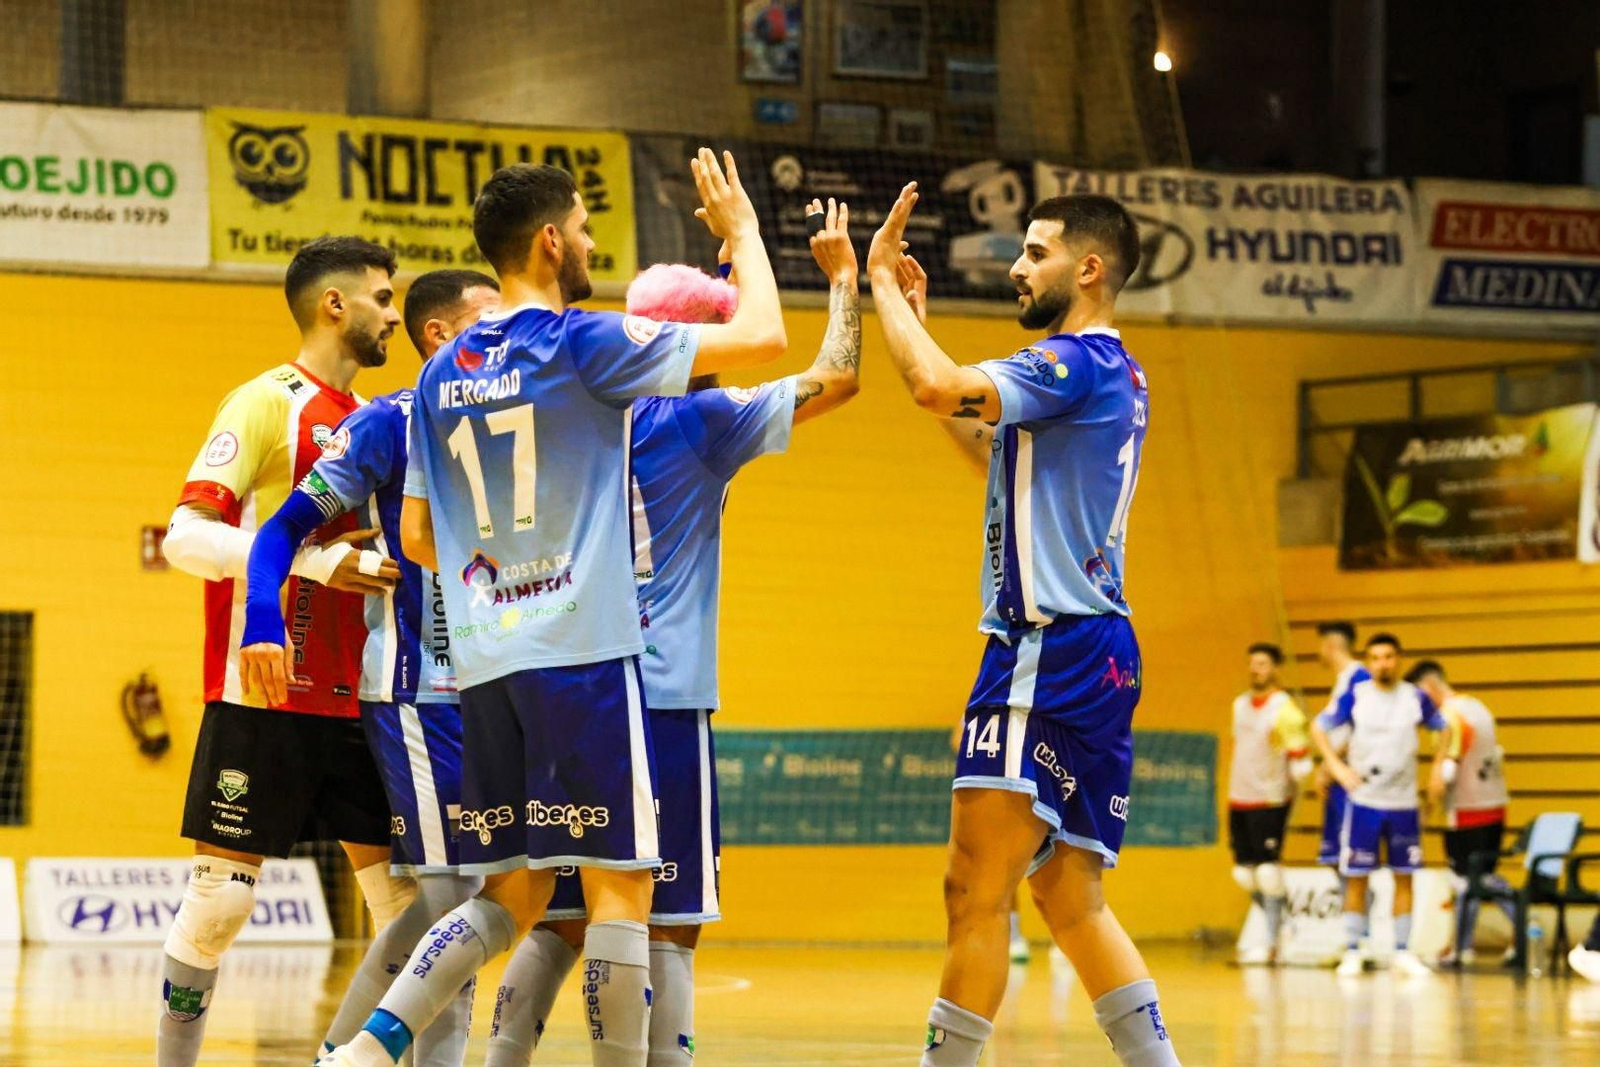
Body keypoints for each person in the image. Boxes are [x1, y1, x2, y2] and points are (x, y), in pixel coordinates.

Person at [320, 151, 786, 1067]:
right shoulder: (582, 342)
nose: (585, 244)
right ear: (547, 240)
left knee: (512, 891)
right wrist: (743, 235)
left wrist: (498, 572)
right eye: (579, 229)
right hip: (583, 655)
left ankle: (368, 1052)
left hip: (487, 670)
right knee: (623, 890)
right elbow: (765, 340)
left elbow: (417, 537)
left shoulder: (442, 372)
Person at [483, 198, 862, 1067]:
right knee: (672, 917)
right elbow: (834, 375)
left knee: (564, 910)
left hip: (559, 681)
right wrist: (842, 277)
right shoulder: (703, 421)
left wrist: (726, 268)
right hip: (657, 694)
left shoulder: (578, 406)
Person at [867, 184, 1177, 1067]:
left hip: (1045, 647)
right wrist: (921, 326)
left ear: (1087, 267)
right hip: (1102, 647)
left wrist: (881, 285)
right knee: (1070, 896)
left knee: (974, 886)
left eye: (1033, 251)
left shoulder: (1072, 363)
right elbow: (981, 439)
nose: (1014, 265)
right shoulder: (1116, 370)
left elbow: (936, 387)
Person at [240, 269, 501, 1064]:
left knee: (462, 902)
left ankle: (334, 1053)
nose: (515, 336)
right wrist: (261, 619)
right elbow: (281, 530)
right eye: (493, 323)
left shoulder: (524, 421)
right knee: (459, 903)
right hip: (422, 691)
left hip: (504, 694)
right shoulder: (389, 425)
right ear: (441, 337)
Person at [156, 236, 405, 1067]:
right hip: (260, 689)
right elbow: (185, 539)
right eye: (382, 297)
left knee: (406, 909)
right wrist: (318, 561)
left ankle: (343, 1057)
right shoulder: (264, 402)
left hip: (366, 697)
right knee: (222, 903)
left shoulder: (384, 422)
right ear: (335, 305)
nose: (394, 313)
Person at [1312, 633, 1445, 978]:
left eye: (1388, 656)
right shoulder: (1356, 696)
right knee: (1356, 877)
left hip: (1403, 804)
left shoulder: (1415, 698)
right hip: (1364, 802)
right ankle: (1355, 948)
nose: (1382, 663)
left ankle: (1402, 951)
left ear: (1398, 659)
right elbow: (1319, 728)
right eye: (1375, 657)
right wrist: (1336, 768)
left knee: (1405, 877)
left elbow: (1444, 729)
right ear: (1368, 661)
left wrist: (1438, 771)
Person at [1407, 659, 1515, 966]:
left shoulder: (1448, 717)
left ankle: (1467, 945)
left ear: (1428, 689)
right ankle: (1464, 945)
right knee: (1484, 876)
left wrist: (1426, 809)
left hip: (1467, 810)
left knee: (1464, 880)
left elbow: (1447, 772)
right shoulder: (1476, 707)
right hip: (1494, 805)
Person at [1227, 643, 1311, 966]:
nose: (1255, 669)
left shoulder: (1285, 709)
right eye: (1251, 664)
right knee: (1243, 874)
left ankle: (1274, 942)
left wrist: (1292, 786)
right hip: (1239, 797)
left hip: (1271, 799)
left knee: (1267, 872)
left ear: (1275, 668)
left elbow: (1299, 760)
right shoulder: (1239, 706)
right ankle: (1285, 921)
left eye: (1262, 664)